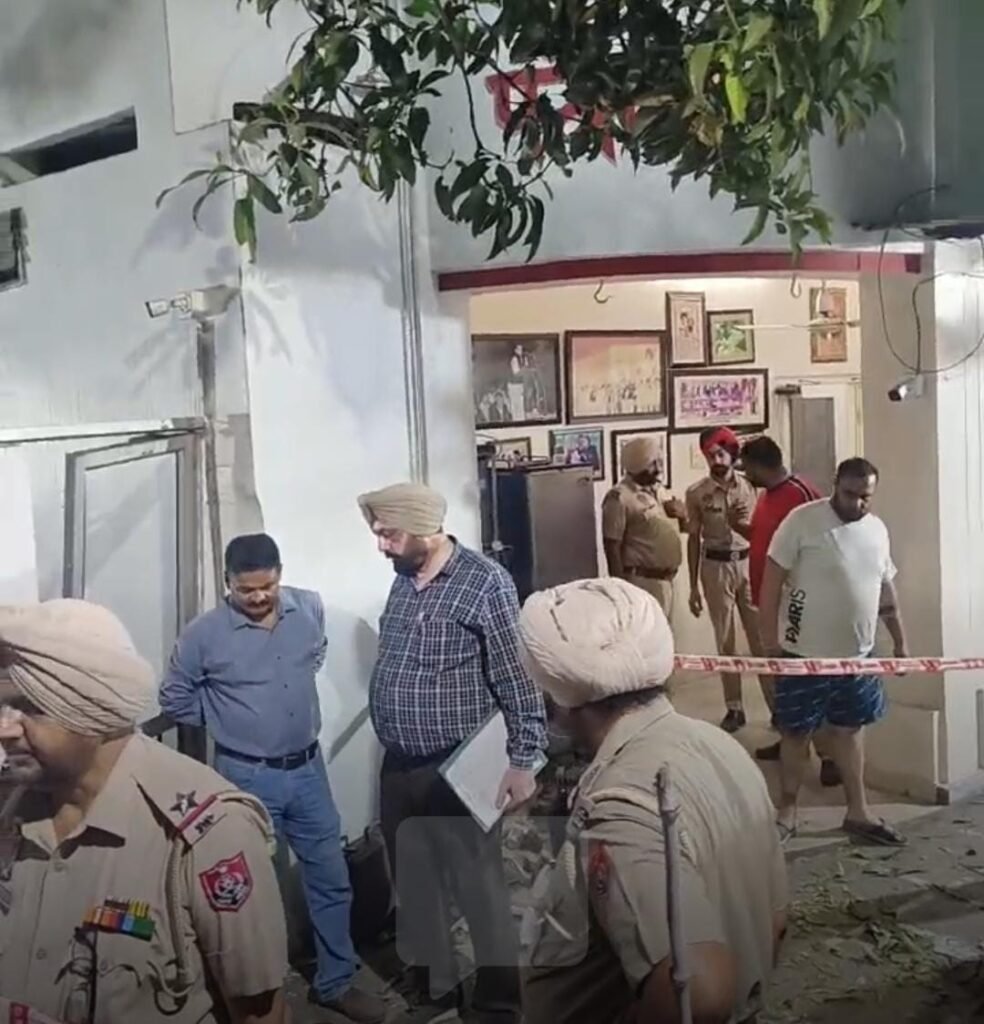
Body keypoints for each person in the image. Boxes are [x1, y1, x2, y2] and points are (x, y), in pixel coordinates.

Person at [0, 598, 289, 1023]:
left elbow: (259, 1014)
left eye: (29, 707)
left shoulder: (208, 835)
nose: (5, 729)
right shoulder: (10, 807)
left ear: (93, 709)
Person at [518, 578, 787, 1024]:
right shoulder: (718, 745)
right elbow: (774, 921)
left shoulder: (620, 806)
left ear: (558, 697)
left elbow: (698, 995)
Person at [160, 534, 385, 1024]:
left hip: (308, 771)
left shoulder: (309, 609)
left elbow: (316, 654)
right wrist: (228, 719)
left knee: (330, 877)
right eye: (247, 590)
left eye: (268, 586)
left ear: (280, 574)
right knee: (247, 895)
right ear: (228, 583)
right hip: (245, 777)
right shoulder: (202, 636)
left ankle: (336, 982)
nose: (259, 597)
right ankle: (258, 997)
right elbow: (174, 698)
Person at [359, 482, 547, 1024]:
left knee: (478, 890)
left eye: (390, 534)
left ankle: (497, 1005)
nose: (381, 545)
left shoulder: (484, 583)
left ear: (423, 529)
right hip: (400, 766)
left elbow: (516, 677)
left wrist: (523, 759)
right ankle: (434, 988)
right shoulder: (403, 578)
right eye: (378, 534)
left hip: (458, 767)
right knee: (415, 886)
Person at [759, 458, 909, 846]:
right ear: (834, 484)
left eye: (865, 497)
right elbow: (771, 584)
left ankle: (858, 810)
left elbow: (885, 590)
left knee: (850, 730)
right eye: (850, 494)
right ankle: (788, 811)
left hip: (856, 656)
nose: (857, 504)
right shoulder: (802, 522)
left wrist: (900, 642)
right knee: (795, 733)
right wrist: (769, 644)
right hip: (802, 654)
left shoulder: (877, 530)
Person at [737, 437, 839, 786]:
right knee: (782, 680)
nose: (744, 474)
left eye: (747, 468)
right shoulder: (766, 496)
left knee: (807, 680)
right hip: (769, 601)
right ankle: (789, 738)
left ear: (759, 465)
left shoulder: (801, 494)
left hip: (797, 604)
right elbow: (764, 538)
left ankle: (829, 755)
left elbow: (826, 544)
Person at [686, 426, 761, 732]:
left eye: (720, 454)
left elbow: (762, 530)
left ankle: (778, 707)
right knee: (726, 641)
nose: (715, 461)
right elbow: (694, 538)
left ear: (731, 454)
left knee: (761, 640)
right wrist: (692, 586)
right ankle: (734, 707)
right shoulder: (696, 493)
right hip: (715, 567)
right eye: (709, 456)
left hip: (748, 563)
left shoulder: (750, 486)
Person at [601, 435, 687, 616]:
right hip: (642, 582)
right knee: (647, 632)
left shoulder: (660, 490)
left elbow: (684, 528)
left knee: (668, 633)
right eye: (652, 464)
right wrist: (621, 590)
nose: (658, 469)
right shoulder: (619, 498)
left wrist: (683, 515)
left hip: (669, 580)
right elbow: (611, 546)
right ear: (637, 464)